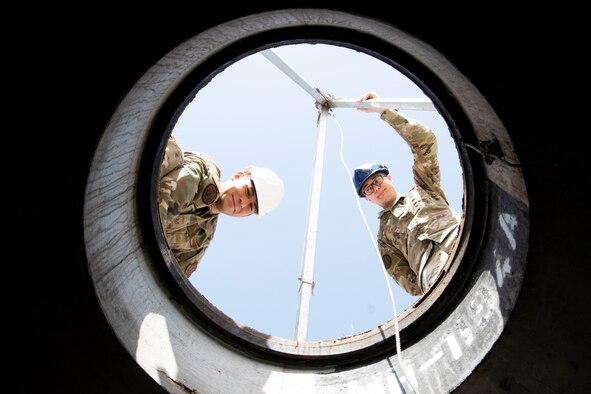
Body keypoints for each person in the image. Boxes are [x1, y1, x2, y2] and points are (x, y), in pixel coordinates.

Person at [353, 92, 461, 296]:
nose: (376, 188)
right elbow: (407, 281)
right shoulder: (384, 238)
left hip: (458, 237)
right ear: (367, 199)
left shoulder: (424, 186)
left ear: (389, 178)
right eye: (369, 189)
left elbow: (425, 140)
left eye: (377, 181)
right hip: (435, 275)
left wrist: (385, 111)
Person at [158, 134, 285, 277]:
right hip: (136, 187)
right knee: (174, 153)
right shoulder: (206, 170)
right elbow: (169, 196)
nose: (244, 202)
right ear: (237, 176)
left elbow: (174, 276)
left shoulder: (201, 240)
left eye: (250, 207)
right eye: (248, 192)